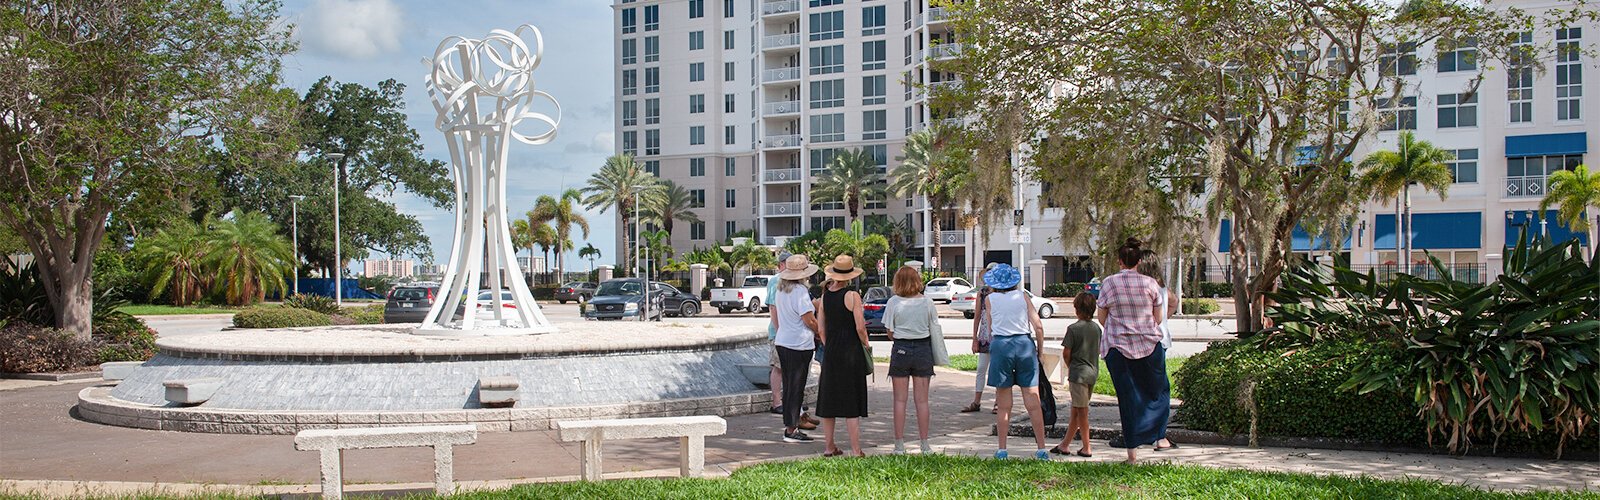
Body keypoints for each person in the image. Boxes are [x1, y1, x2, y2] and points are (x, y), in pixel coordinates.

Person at [1098, 238, 1174, 464]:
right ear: (1139, 261)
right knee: (1157, 392)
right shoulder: (1150, 284)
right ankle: (1157, 435)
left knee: (1127, 398)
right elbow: (1158, 317)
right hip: (1149, 344)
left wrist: (1119, 328)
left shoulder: (1109, 283)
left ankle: (1132, 453)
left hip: (1117, 347)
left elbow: (1101, 316)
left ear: (1120, 261)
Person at [981, 263, 1050, 460]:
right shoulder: (1023, 297)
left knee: (1004, 403)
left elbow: (991, 326)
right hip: (1024, 344)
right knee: (1032, 400)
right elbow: (1038, 326)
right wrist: (1040, 351)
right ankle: (1041, 448)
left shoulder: (990, 299)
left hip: (1002, 346)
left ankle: (1002, 449)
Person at [883, 265, 947, 454]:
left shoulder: (894, 302)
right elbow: (934, 326)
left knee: (899, 401)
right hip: (922, 349)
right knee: (922, 401)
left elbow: (889, 332)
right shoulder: (927, 302)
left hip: (901, 348)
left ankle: (899, 444)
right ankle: (925, 444)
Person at [814, 255, 871, 457]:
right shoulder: (853, 296)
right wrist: (866, 343)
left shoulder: (825, 297)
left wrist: (830, 345)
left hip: (831, 352)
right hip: (851, 352)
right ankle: (856, 449)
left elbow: (821, 329)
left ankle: (829, 447)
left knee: (828, 400)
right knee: (851, 402)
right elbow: (860, 326)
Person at [770, 254, 822, 443]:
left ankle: (790, 425)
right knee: (796, 387)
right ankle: (791, 429)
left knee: (789, 386)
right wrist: (819, 331)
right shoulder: (800, 291)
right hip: (799, 344)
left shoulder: (781, 290)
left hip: (784, 342)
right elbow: (808, 319)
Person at [1050, 292, 1101, 458]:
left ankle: (1087, 447)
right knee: (1076, 410)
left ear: (1077, 309)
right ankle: (1065, 444)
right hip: (1092, 372)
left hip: (1078, 373)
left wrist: (1070, 366)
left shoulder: (1073, 329)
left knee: (1082, 412)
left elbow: (1066, 353)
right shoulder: (1096, 329)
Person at [962, 263, 1001, 414]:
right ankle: (976, 401)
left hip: (998, 335)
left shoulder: (1002, 292)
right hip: (985, 336)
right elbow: (977, 316)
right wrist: (975, 338)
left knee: (997, 369)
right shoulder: (982, 293)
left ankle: (998, 402)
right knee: (981, 369)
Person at [1136, 250, 1179, 351]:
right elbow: (1174, 302)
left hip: (1149, 339)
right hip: (1162, 336)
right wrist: (1163, 317)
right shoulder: (1162, 287)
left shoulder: (1144, 288)